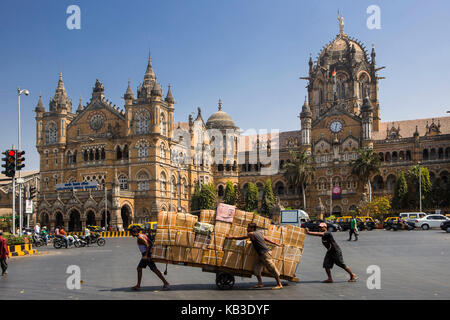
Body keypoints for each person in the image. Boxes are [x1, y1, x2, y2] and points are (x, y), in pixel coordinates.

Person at [226, 223, 283, 290]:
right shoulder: (259, 233)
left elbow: (242, 237)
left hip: (265, 254)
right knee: (256, 268)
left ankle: (279, 284)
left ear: (252, 228)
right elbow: (266, 239)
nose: (247, 229)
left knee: (271, 268)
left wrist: (231, 237)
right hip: (260, 255)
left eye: (248, 227)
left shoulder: (251, 234)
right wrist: (275, 243)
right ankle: (260, 283)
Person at [130, 226, 169, 291]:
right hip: (148, 254)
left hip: (147, 255)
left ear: (135, 232)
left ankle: (166, 283)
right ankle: (138, 285)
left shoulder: (140, 238)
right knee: (140, 269)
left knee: (154, 269)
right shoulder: (143, 235)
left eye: (131, 232)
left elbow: (148, 245)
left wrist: (145, 255)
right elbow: (150, 243)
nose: (131, 234)